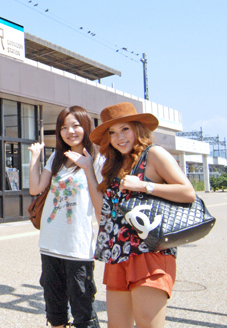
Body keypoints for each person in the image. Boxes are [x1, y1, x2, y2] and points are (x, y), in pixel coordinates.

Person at [89, 102, 195, 328]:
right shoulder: (114, 165)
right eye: (112, 132)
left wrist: (144, 186)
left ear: (138, 128)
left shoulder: (154, 154)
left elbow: (188, 193)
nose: (119, 137)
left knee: (148, 323)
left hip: (150, 251)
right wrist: (89, 171)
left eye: (125, 129)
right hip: (117, 253)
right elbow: (105, 214)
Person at [28, 106, 103, 328]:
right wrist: (35, 158)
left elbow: (100, 205)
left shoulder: (97, 159)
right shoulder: (57, 158)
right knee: (55, 312)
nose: (70, 131)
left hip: (77, 247)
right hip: (50, 244)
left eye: (75, 125)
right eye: (64, 127)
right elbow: (35, 188)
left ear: (86, 126)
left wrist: (87, 168)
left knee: (83, 312)